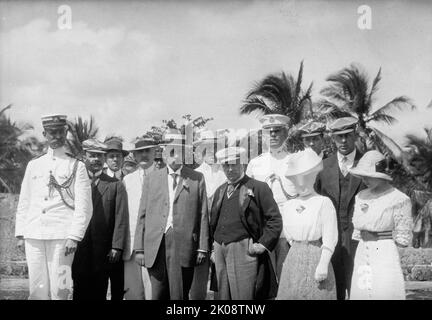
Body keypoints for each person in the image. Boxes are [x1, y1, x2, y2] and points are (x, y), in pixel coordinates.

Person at [15, 114, 92, 300]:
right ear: (45, 134)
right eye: (52, 132)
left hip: (62, 237)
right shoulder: (34, 165)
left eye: (60, 132)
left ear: (65, 133)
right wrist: (20, 233)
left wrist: (74, 236)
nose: (56, 136)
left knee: (61, 289)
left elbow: (84, 206)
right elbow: (25, 201)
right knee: (36, 289)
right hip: (33, 234)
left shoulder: (77, 166)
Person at [133, 129, 209, 300]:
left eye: (180, 151)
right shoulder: (152, 179)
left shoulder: (197, 178)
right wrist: (139, 249)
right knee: (158, 293)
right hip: (156, 245)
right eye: (171, 151)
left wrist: (202, 247)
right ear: (164, 152)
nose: (175, 156)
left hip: (184, 245)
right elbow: (142, 215)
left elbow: (203, 214)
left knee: (180, 293)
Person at [210, 147, 282, 300]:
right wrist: (212, 248)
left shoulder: (258, 187)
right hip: (219, 248)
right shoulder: (220, 190)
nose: (230, 169)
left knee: (243, 296)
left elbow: (274, 219)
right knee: (222, 296)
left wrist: (263, 244)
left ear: (242, 163)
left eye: (234, 164)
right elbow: (213, 222)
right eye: (226, 165)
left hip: (243, 249)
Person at [349, 150, 412, 300]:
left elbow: (403, 238)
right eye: (363, 175)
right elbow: (358, 230)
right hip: (363, 250)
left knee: (384, 291)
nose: (365, 179)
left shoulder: (398, 199)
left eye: (369, 176)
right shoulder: (361, 196)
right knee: (363, 291)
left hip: (384, 252)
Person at [315, 116, 365, 300]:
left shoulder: (368, 164)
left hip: (359, 240)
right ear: (333, 138)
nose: (343, 141)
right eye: (339, 137)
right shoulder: (323, 167)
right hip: (330, 240)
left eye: (348, 135)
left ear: (355, 135)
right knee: (331, 290)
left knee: (359, 289)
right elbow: (316, 204)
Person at [277, 148, 338, 300]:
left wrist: (323, 263)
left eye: (305, 177)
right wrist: (298, 250)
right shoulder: (289, 206)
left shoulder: (323, 202)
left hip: (317, 257)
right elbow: (290, 237)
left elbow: (330, 237)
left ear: (313, 176)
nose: (301, 183)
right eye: (296, 179)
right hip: (294, 258)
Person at [72, 139, 129, 300]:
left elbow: (121, 217)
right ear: (85, 157)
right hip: (78, 248)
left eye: (99, 156)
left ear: (104, 158)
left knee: (99, 290)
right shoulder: (75, 182)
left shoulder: (115, 185)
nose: (96, 159)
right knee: (79, 289)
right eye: (92, 155)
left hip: (102, 250)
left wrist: (116, 246)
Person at [246, 114, 297, 281]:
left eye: (277, 131)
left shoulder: (295, 161)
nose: (273, 135)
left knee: (285, 279)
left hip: (287, 229)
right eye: (269, 131)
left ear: (286, 133)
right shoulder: (255, 163)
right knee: (263, 280)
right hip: (262, 230)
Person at [190, 129, 227, 300]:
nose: (212, 152)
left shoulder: (228, 173)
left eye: (215, 147)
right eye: (207, 148)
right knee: (198, 280)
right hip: (200, 234)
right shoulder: (194, 175)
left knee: (221, 279)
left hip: (223, 233)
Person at [123, 135, 158, 300]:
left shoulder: (163, 177)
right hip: (130, 247)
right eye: (140, 152)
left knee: (153, 294)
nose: (144, 155)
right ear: (135, 156)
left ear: (155, 152)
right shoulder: (127, 180)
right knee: (132, 294)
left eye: (147, 151)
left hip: (154, 248)